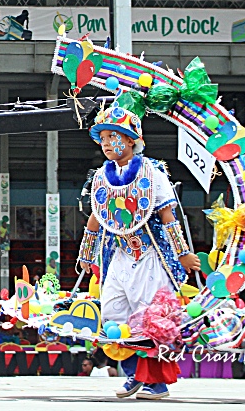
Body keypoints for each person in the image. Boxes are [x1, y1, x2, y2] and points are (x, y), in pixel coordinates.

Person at [77, 94, 200, 401]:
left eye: (114, 136)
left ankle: (156, 382)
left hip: (149, 255)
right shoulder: (100, 178)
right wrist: (85, 253)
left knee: (148, 319)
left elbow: (168, 217)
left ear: (132, 140)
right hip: (117, 255)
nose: (107, 143)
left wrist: (183, 253)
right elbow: (95, 217)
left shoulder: (153, 173)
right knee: (115, 314)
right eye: (103, 137)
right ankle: (134, 374)